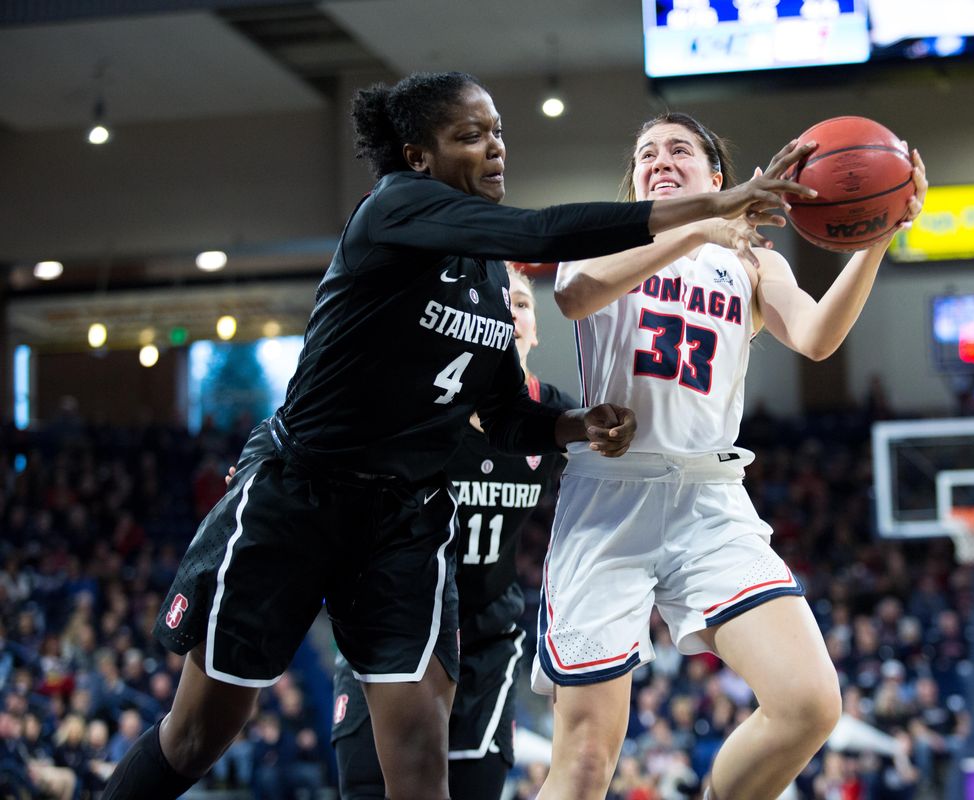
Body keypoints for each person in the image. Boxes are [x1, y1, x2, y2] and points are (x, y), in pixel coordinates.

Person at [99, 72, 810, 800]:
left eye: (498, 131)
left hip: (401, 517)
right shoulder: (395, 210)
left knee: (417, 754)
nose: (495, 147)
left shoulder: (485, 272)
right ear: (417, 157)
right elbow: (542, 232)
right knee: (198, 733)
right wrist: (712, 207)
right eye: (471, 135)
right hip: (301, 492)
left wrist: (575, 426)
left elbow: (504, 411)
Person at [534, 111, 927, 800]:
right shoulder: (602, 232)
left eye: (679, 149)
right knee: (588, 759)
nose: (659, 157)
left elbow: (815, 337)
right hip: (608, 500)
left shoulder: (753, 260)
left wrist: (878, 234)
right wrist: (701, 223)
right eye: (645, 151)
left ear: (715, 176)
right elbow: (574, 294)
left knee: (809, 704)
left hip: (708, 498)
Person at [330, 266, 575, 800]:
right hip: (395, 622)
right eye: (496, 300)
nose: (511, 310)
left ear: (536, 330)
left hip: (486, 636)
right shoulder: (420, 409)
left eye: (523, 304)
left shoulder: (557, 416)